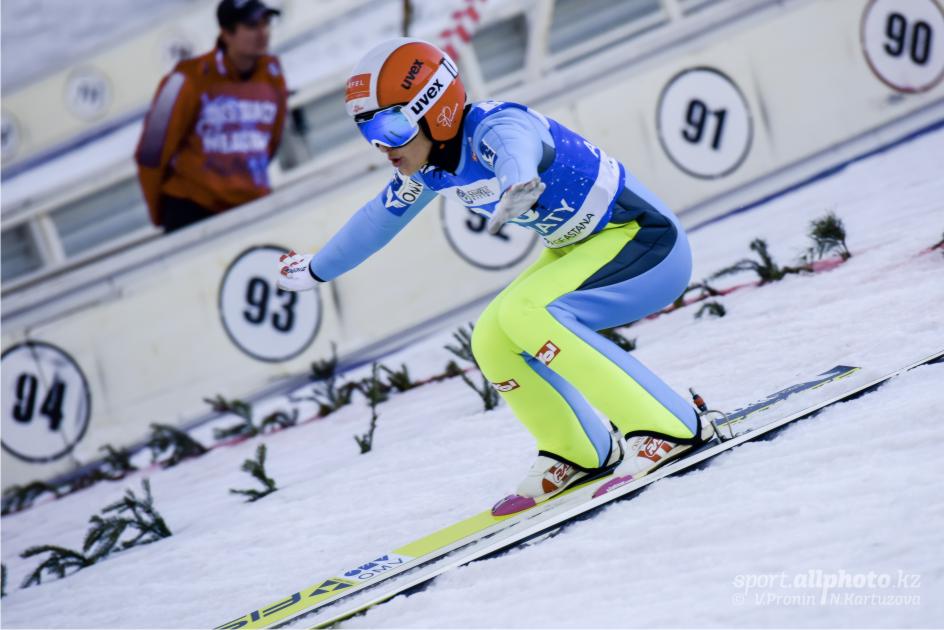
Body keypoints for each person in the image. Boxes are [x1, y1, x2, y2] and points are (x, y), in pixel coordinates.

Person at [277, 39, 714, 516]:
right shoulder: (430, 168)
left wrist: (518, 180)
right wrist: (317, 268)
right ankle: (577, 449)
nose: (381, 145)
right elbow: (377, 220)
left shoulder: (493, 125)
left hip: (645, 241)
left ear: (435, 110)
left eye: (390, 126)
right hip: (586, 247)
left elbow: (514, 148)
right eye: (368, 131)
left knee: (530, 312)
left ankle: (666, 426)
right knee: (492, 338)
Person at [135, 0, 288, 232]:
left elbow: (272, 140)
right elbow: (151, 151)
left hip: (252, 204)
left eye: (265, 23)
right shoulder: (186, 78)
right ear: (226, 33)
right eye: (251, 25)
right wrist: (161, 214)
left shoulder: (273, 72)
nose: (262, 32)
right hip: (194, 208)